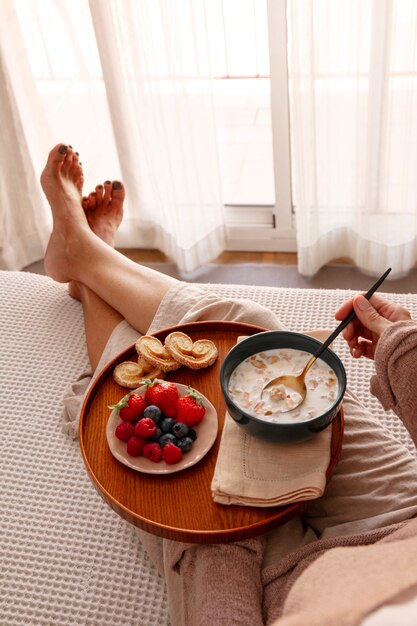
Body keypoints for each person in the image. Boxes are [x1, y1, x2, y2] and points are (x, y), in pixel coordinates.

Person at [42, 143, 417, 626]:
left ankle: (85, 259)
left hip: (281, 587)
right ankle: (88, 259)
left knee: (149, 396)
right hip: (401, 524)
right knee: (256, 332)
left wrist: (216, 527)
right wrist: (401, 344)